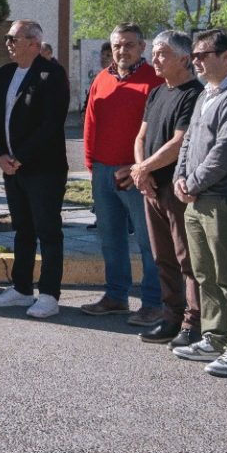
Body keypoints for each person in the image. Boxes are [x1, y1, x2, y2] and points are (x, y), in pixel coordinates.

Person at [172, 28, 227, 375]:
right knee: (204, 273)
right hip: (196, 198)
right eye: (193, 55)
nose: (195, 61)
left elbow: (225, 152)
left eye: (203, 55)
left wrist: (192, 182)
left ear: (226, 56)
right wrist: (181, 178)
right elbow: (189, 140)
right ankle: (215, 337)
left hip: (222, 199)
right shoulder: (207, 93)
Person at [0, 20, 71, 318]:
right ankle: (21, 288)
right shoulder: (6, 73)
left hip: (42, 168)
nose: (8, 43)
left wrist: (20, 156)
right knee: (22, 229)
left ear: (34, 43)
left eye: (14, 38)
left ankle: (49, 294)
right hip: (11, 167)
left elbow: (51, 123)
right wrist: (0, 155)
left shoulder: (52, 74)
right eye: (7, 38)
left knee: (48, 231)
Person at [81, 23, 163, 323]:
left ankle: (155, 302)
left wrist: (143, 167)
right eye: (117, 45)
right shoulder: (101, 79)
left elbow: (160, 131)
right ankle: (116, 296)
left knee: (147, 240)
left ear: (142, 47)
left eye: (129, 44)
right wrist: (92, 165)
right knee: (110, 238)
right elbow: (91, 123)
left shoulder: (155, 80)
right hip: (103, 172)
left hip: (138, 174)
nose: (122, 50)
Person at [128, 30, 204, 345]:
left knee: (187, 259)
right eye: (155, 53)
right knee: (163, 257)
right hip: (151, 187)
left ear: (184, 59)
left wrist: (143, 168)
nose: (155, 60)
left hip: (177, 188)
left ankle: (193, 324)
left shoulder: (194, 94)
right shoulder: (157, 93)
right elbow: (141, 136)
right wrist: (141, 173)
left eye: (163, 54)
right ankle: (170, 318)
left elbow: (179, 141)